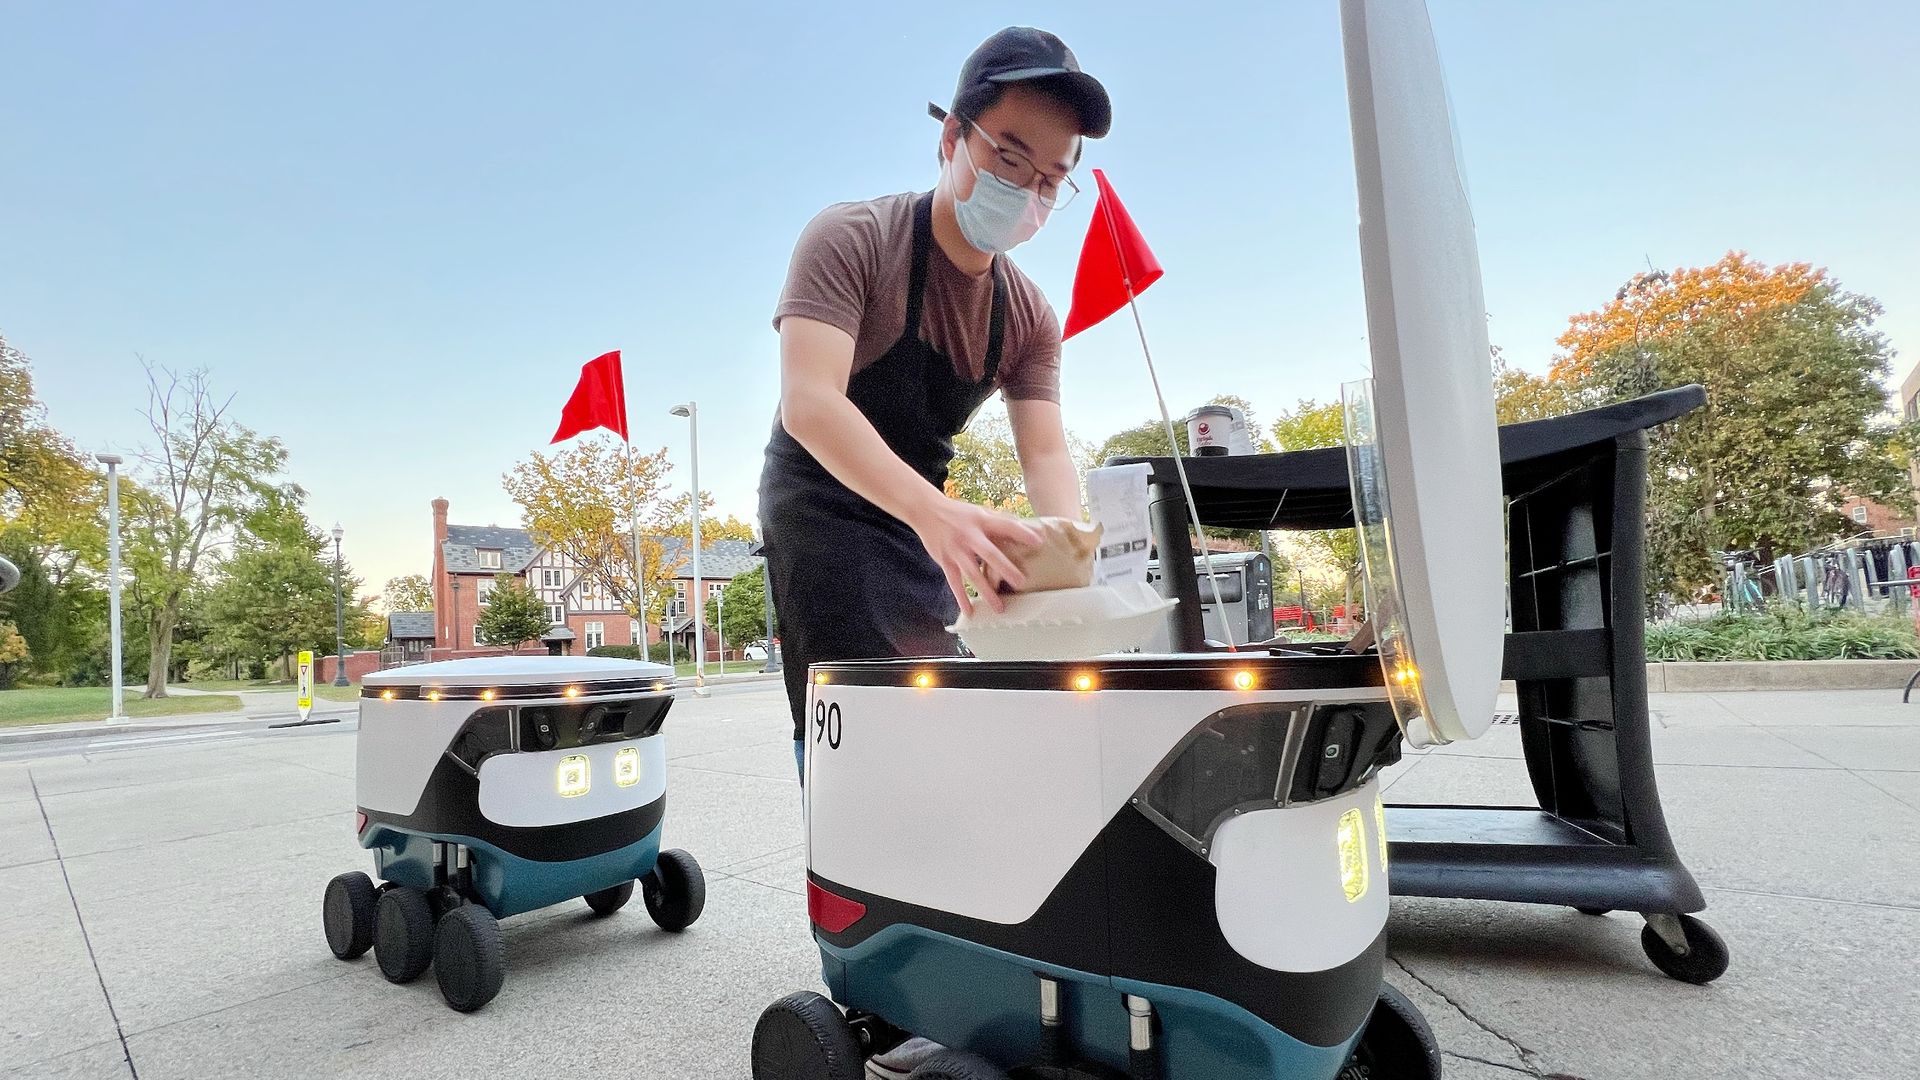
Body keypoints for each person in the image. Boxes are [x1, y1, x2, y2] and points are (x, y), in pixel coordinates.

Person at [758, 31, 1109, 1074]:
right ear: (953, 134)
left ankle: (960, 930)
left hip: (927, 515)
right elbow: (810, 402)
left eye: (1052, 178)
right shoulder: (853, 238)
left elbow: (1048, 457)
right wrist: (938, 519)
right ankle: (868, 949)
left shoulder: (1026, 312)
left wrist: (1073, 560)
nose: (1028, 191)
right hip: (824, 501)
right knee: (859, 721)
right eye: (1009, 155)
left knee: (953, 710)